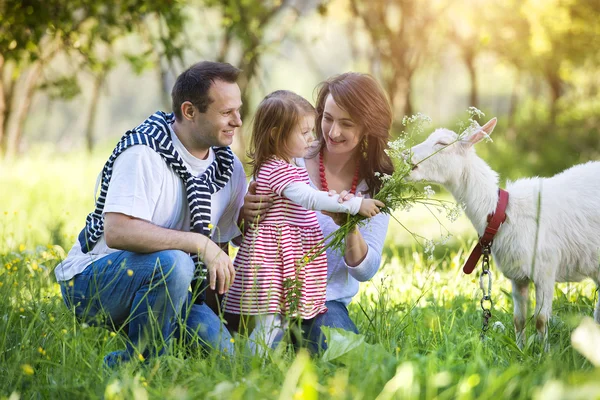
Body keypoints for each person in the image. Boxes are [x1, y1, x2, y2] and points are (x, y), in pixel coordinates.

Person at [55, 61, 247, 367]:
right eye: (227, 113)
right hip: (91, 281)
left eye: (239, 109)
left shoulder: (228, 168)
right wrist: (198, 243)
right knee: (176, 262)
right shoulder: (144, 152)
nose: (238, 121)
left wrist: (220, 321)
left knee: (227, 360)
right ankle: (143, 367)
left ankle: (137, 358)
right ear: (189, 111)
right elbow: (117, 232)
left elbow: (219, 251)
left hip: (173, 286)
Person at [240, 73, 394, 353]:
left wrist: (350, 227)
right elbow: (248, 238)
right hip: (271, 295)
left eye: (346, 124)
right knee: (258, 354)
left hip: (324, 301)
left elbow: (366, 270)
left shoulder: (376, 183)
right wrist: (245, 216)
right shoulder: (290, 153)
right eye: (327, 118)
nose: (332, 132)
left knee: (348, 359)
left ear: (369, 127)